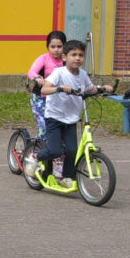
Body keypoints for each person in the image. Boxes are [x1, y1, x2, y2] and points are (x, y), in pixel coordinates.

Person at [25, 39, 113, 187]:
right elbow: (44, 89)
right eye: (74, 55)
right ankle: (35, 156)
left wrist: (102, 87)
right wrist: (59, 88)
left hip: (71, 119)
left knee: (72, 150)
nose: (77, 58)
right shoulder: (59, 72)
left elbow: (89, 89)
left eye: (81, 55)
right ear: (65, 57)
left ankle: (65, 177)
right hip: (54, 117)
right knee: (55, 150)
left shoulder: (83, 74)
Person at [27, 30, 66, 175]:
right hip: (41, 99)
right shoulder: (44, 59)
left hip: (57, 101)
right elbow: (32, 71)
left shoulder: (65, 61)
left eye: (59, 46)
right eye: (53, 46)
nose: (56, 50)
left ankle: (58, 161)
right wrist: (37, 78)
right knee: (44, 127)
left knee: (61, 130)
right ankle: (35, 157)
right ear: (48, 47)